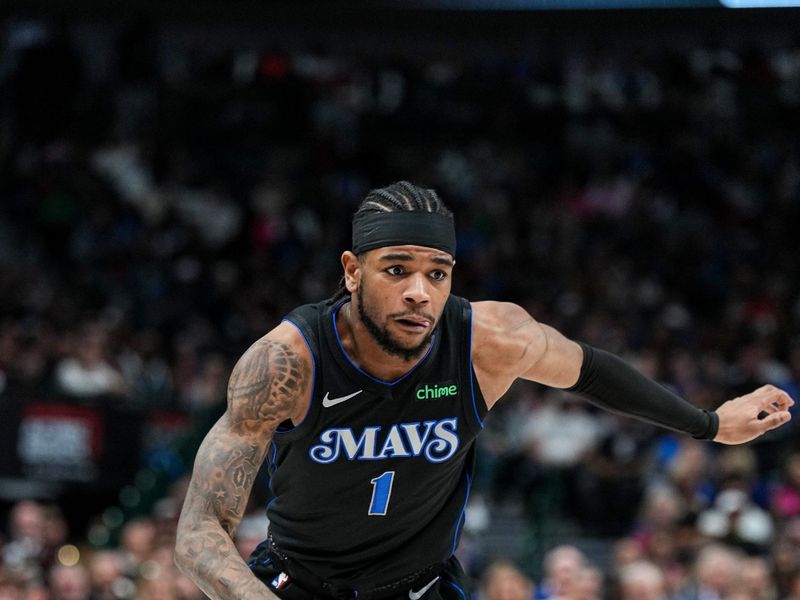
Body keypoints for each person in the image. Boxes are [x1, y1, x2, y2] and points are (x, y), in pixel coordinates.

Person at [173, 181, 794, 600]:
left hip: (419, 585)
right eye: (397, 270)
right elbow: (199, 531)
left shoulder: (487, 339)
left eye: (437, 273)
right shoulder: (286, 361)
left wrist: (708, 424)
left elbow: (592, 369)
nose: (420, 290)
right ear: (352, 270)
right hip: (295, 584)